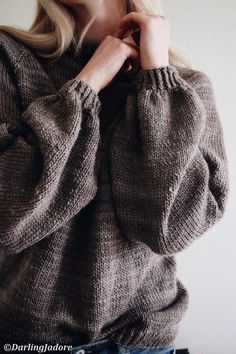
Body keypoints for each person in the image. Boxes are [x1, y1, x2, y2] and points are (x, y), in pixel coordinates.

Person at [0, 0, 229, 354]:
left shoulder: (186, 91)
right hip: (27, 341)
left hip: (143, 342)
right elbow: (9, 215)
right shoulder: (9, 60)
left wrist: (156, 79)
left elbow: (170, 227)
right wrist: (86, 85)